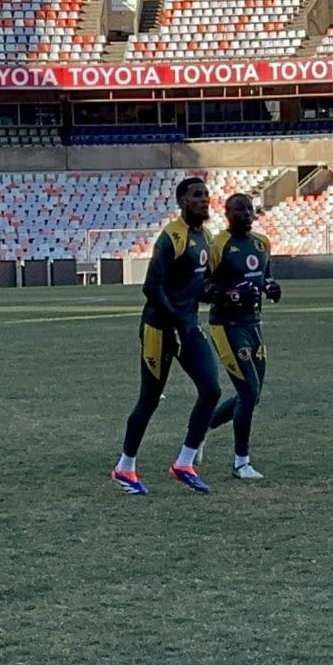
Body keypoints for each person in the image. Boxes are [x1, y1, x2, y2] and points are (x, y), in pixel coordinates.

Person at [113, 175, 222, 496]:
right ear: (182, 201)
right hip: (159, 329)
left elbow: (197, 288)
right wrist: (176, 321)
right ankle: (124, 467)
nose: (204, 200)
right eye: (196, 195)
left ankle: (184, 463)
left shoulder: (205, 237)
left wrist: (225, 294)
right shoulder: (171, 237)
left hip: (186, 327)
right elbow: (152, 287)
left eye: (206, 194)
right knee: (149, 398)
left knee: (211, 389)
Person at [204, 193, 281, 481]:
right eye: (239, 209)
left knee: (253, 394)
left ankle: (201, 431)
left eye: (249, 208)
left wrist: (271, 287)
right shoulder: (219, 245)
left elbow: (265, 277)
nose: (245, 213)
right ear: (227, 214)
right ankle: (241, 462)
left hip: (254, 324)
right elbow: (202, 287)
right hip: (226, 325)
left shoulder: (262, 243)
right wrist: (232, 294)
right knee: (248, 392)